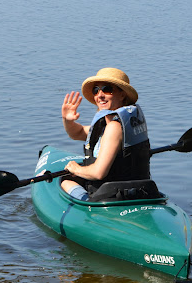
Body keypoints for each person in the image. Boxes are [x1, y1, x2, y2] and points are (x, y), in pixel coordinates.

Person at [60, 67, 150, 201]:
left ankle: (85, 202)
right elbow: (77, 133)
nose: (100, 95)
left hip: (113, 197)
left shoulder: (114, 127)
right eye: (96, 90)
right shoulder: (123, 122)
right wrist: (67, 120)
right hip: (140, 191)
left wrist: (75, 169)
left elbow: (98, 173)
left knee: (65, 181)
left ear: (122, 94)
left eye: (107, 89)